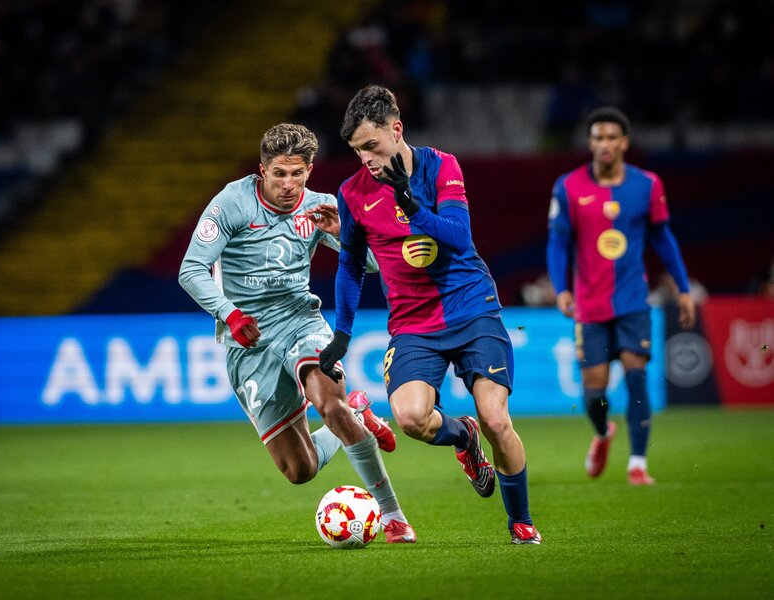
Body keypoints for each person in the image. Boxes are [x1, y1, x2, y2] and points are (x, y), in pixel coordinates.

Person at [318, 85, 541, 545]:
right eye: (357, 150)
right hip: (413, 325)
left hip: (471, 307)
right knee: (411, 418)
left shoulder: (442, 166)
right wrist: (342, 332)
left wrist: (413, 205)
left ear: (396, 130)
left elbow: (459, 236)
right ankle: (463, 438)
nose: (366, 159)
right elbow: (350, 266)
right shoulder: (353, 193)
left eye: (372, 146)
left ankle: (521, 522)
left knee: (498, 419)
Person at [178, 123, 416, 543]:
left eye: (298, 174)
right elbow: (191, 269)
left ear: (309, 170)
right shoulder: (232, 203)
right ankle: (360, 416)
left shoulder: (322, 206)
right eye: (279, 175)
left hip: (301, 322)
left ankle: (392, 514)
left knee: (329, 402)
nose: (289, 185)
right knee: (299, 470)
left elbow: (380, 266)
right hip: (248, 342)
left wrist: (344, 233)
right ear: (262, 171)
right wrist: (230, 314)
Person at [546, 106, 696, 486]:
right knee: (594, 395)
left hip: (632, 300)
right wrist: (562, 289)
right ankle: (603, 433)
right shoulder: (568, 186)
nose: (605, 144)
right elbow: (558, 244)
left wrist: (683, 288)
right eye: (598, 137)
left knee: (636, 377)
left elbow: (663, 238)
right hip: (590, 305)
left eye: (612, 137)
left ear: (625, 142)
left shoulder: (647, 185)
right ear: (590, 143)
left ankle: (638, 463)